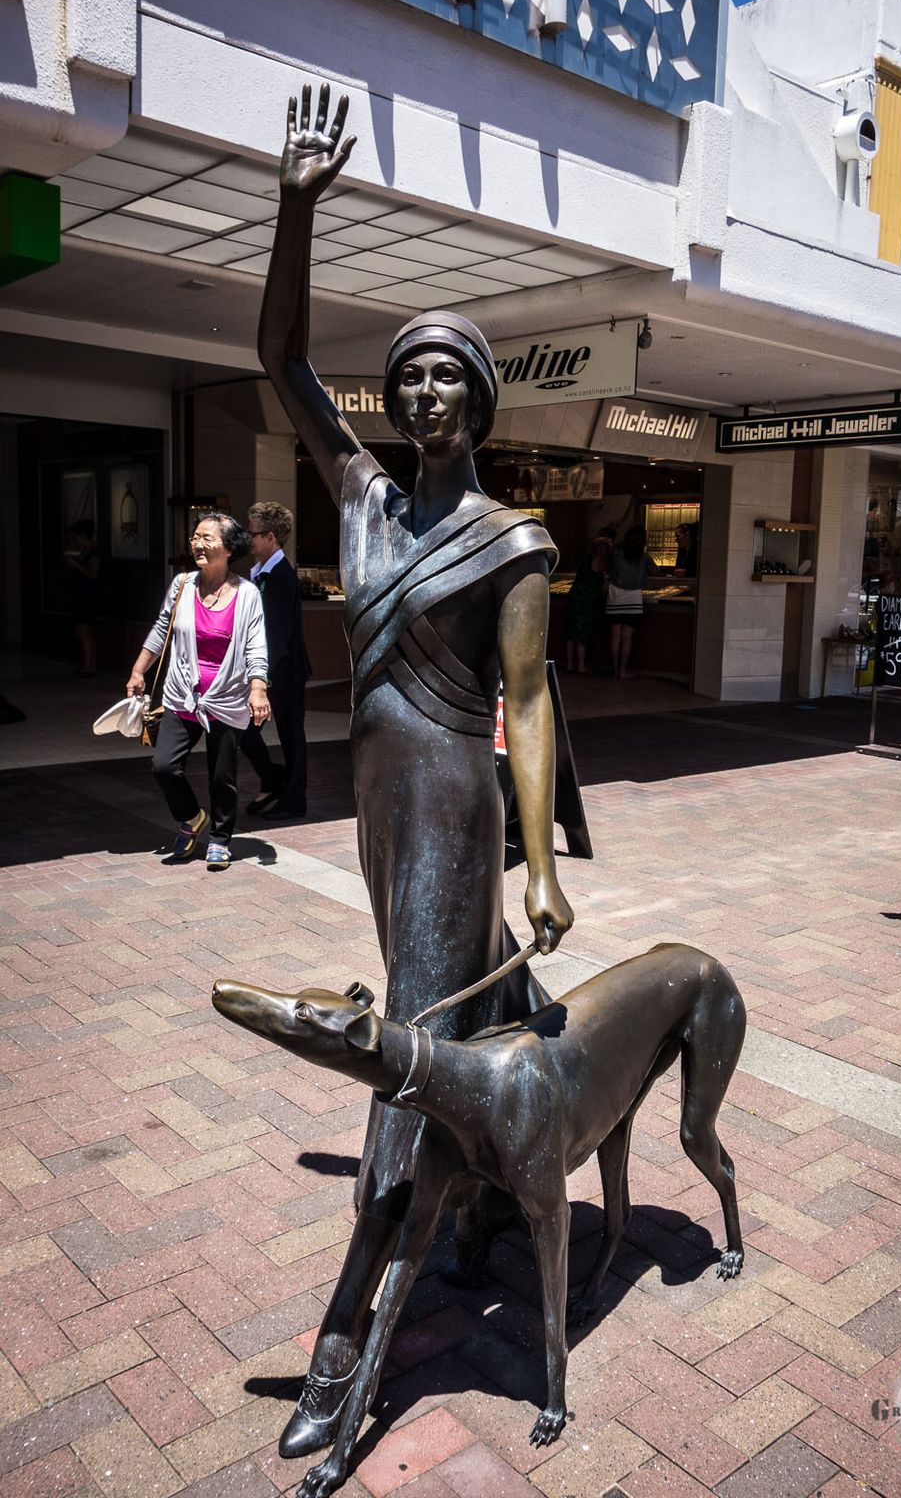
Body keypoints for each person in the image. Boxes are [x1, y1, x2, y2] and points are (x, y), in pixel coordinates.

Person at [258, 81, 573, 1460]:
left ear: (485, 403)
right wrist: (295, 206)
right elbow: (279, 359)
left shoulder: (511, 542)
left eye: (455, 374)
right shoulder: (366, 499)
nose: (429, 389)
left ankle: (348, 1341)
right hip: (376, 804)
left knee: (405, 1044)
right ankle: (512, 1163)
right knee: (457, 991)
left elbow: (526, 701)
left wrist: (546, 859)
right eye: (414, 375)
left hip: (452, 792)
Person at [127, 515, 270, 871]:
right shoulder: (182, 585)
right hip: (182, 694)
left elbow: (256, 646)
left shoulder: (247, 593)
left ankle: (221, 839)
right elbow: (163, 628)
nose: (197, 544)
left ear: (228, 547)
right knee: (164, 767)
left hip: (226, 696)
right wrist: (138, 669)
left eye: (206, 538)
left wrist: (258, 689)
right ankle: (192, 818)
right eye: (194, 537)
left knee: (222, 776)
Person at [240, 501, 311, 818]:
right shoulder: (258, 573)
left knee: (291, 735)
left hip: (284, 671)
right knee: (244, 732)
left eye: (253, 533)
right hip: (267, 671)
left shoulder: (281, 577)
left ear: (270, 536)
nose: (248, 539)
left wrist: (262, 681)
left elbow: (278, 636)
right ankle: (274, 779)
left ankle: (294, 799)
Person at [607, 523, 658, 679]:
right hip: (634, 599)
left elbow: (606, 552)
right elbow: (655, 571)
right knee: (627, 637)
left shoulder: (616, 552)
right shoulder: (644, 557)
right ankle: (623, 670)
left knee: (615, 636)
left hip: (614, 597)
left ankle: (615, 670)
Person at [564, 533, 611, 673]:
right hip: (587, 600)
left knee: (571, 633)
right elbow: (604, 581)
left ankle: (569, 664)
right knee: (583, 632)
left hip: (574, 597)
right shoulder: (600, 562)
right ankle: (581, 666)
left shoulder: (585, 559)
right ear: (601, 549)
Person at [65, 519, 100, 678]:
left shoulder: (93, 553)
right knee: (85, 631)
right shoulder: (85, 552)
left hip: (87, 596)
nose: (75, 542)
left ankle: (89, 666)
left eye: (76, 538)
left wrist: (76, 566)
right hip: (82, 595)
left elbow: (93, 574)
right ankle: (89, 665)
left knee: (85, 630)